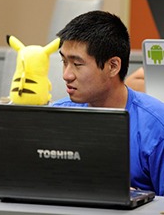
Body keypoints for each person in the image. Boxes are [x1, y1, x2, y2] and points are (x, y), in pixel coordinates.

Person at [52, 10, 164, 196]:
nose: (66, 75)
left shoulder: (156, 126)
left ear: (113, 66)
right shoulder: (57, 116)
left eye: (77, 64)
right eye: (64, 62)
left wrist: (138, 199)